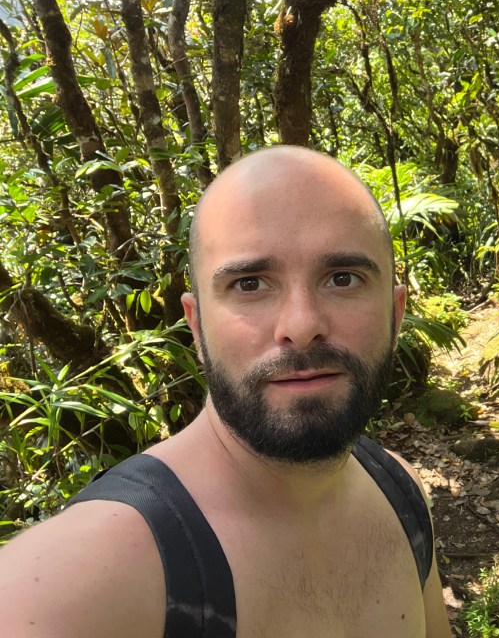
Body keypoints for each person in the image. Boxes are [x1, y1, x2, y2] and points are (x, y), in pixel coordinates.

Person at [0, 146, 453, 638]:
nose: (301, 326)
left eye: (343, 279)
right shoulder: (74, 582)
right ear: (197, 326)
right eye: (250, 284)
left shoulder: (402, 495)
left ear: (395, 313)